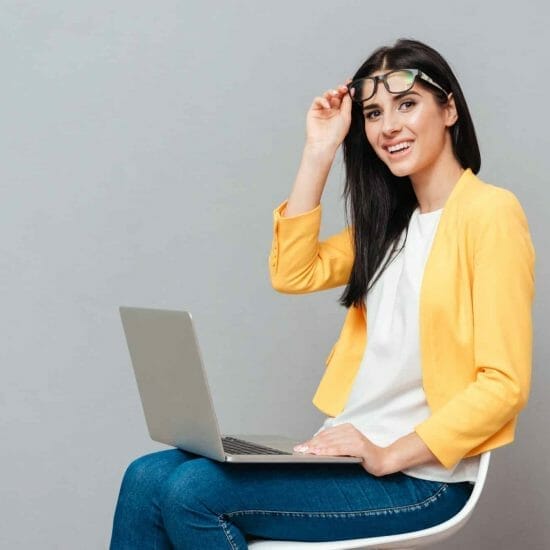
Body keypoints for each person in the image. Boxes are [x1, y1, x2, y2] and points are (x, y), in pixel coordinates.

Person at [109, 38, 535, 549]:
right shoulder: (388, 229)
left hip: (421, 478)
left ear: (448, 109)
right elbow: (293, 271)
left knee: (192, 492)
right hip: (344, 456)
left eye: (407, 104)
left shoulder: (490, 214)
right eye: (373, 113)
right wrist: (319, 151)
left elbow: (503, 384)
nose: (388, 126)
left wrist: (389, 452)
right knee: (145, 478)